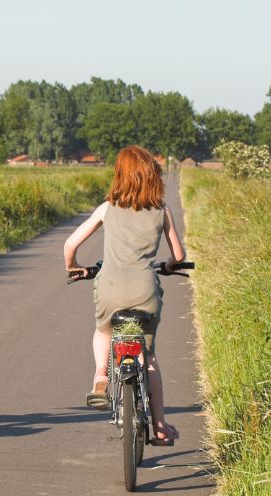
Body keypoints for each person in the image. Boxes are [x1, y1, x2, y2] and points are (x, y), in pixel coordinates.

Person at [62, 146, 186, 445]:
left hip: (110, 288)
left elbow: (70, 244)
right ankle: (159, 427)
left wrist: (73, 266)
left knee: (104, 331)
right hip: (145, 289)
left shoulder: (108, 207)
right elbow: (179, 256)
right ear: (151, 174)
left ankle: (100, 375)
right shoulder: (161, 209)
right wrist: (169, 266)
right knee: (149, 358)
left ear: (120, 175)